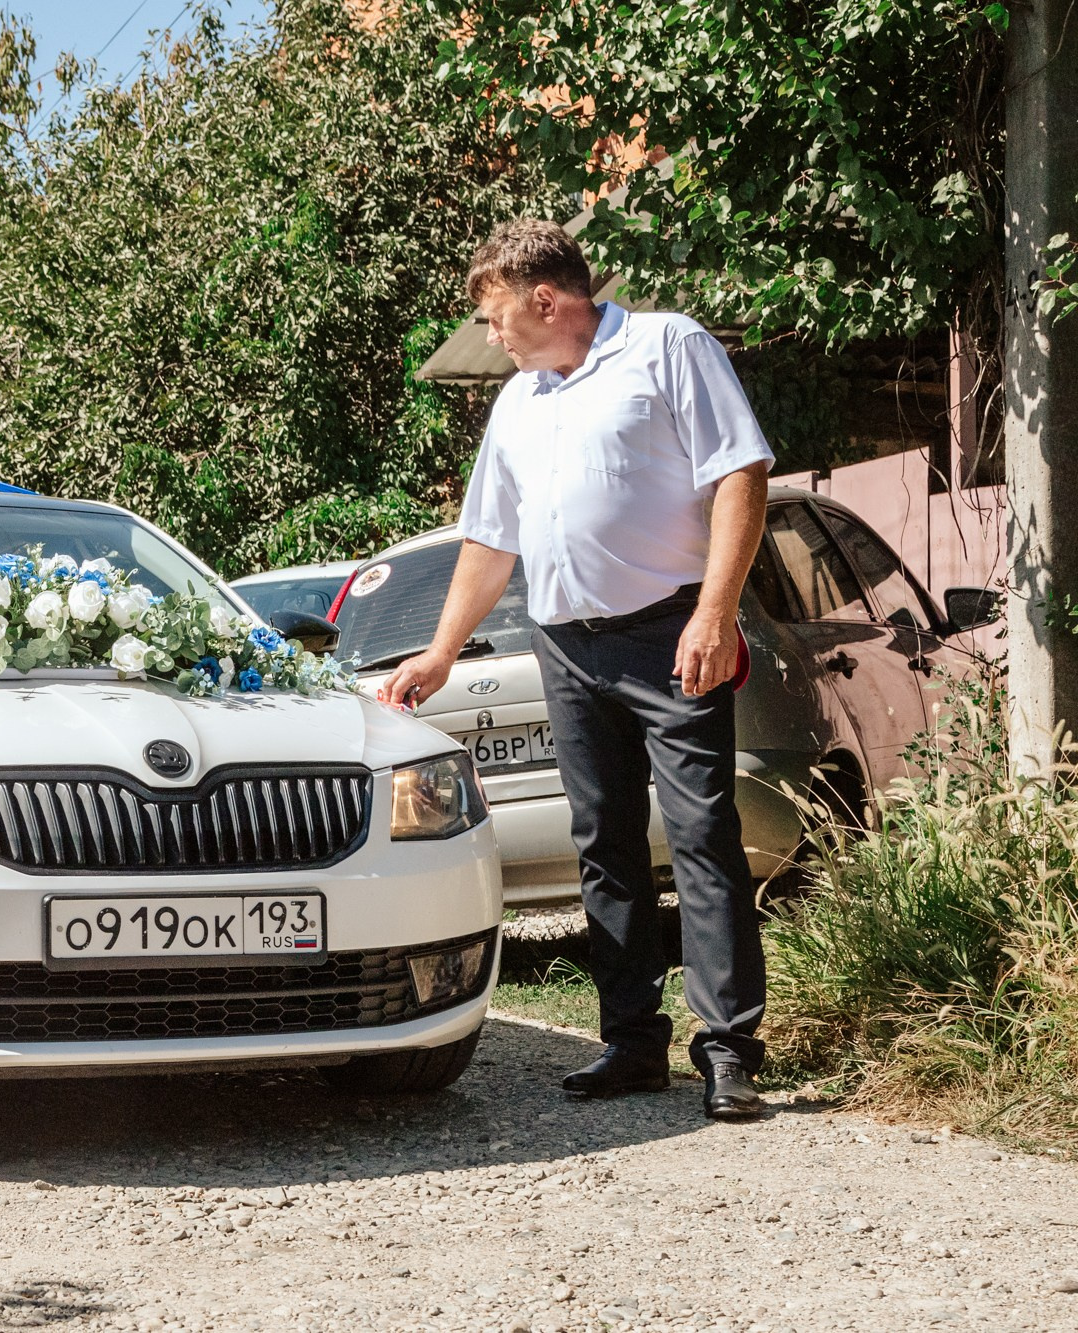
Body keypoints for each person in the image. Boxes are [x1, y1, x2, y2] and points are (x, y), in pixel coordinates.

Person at [381, 220, 775, 1121]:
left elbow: (741, 474)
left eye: (496, 315)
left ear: (545, 299)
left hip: (671, 633)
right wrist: (441, 649)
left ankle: (728, 1050)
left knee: (701, 835)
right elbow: (490, 540)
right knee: (604, 844)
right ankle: (632, 1041)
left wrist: (715, 612)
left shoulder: (668, 346)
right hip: (565, 645)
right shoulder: (519, 401)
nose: (492, 335)